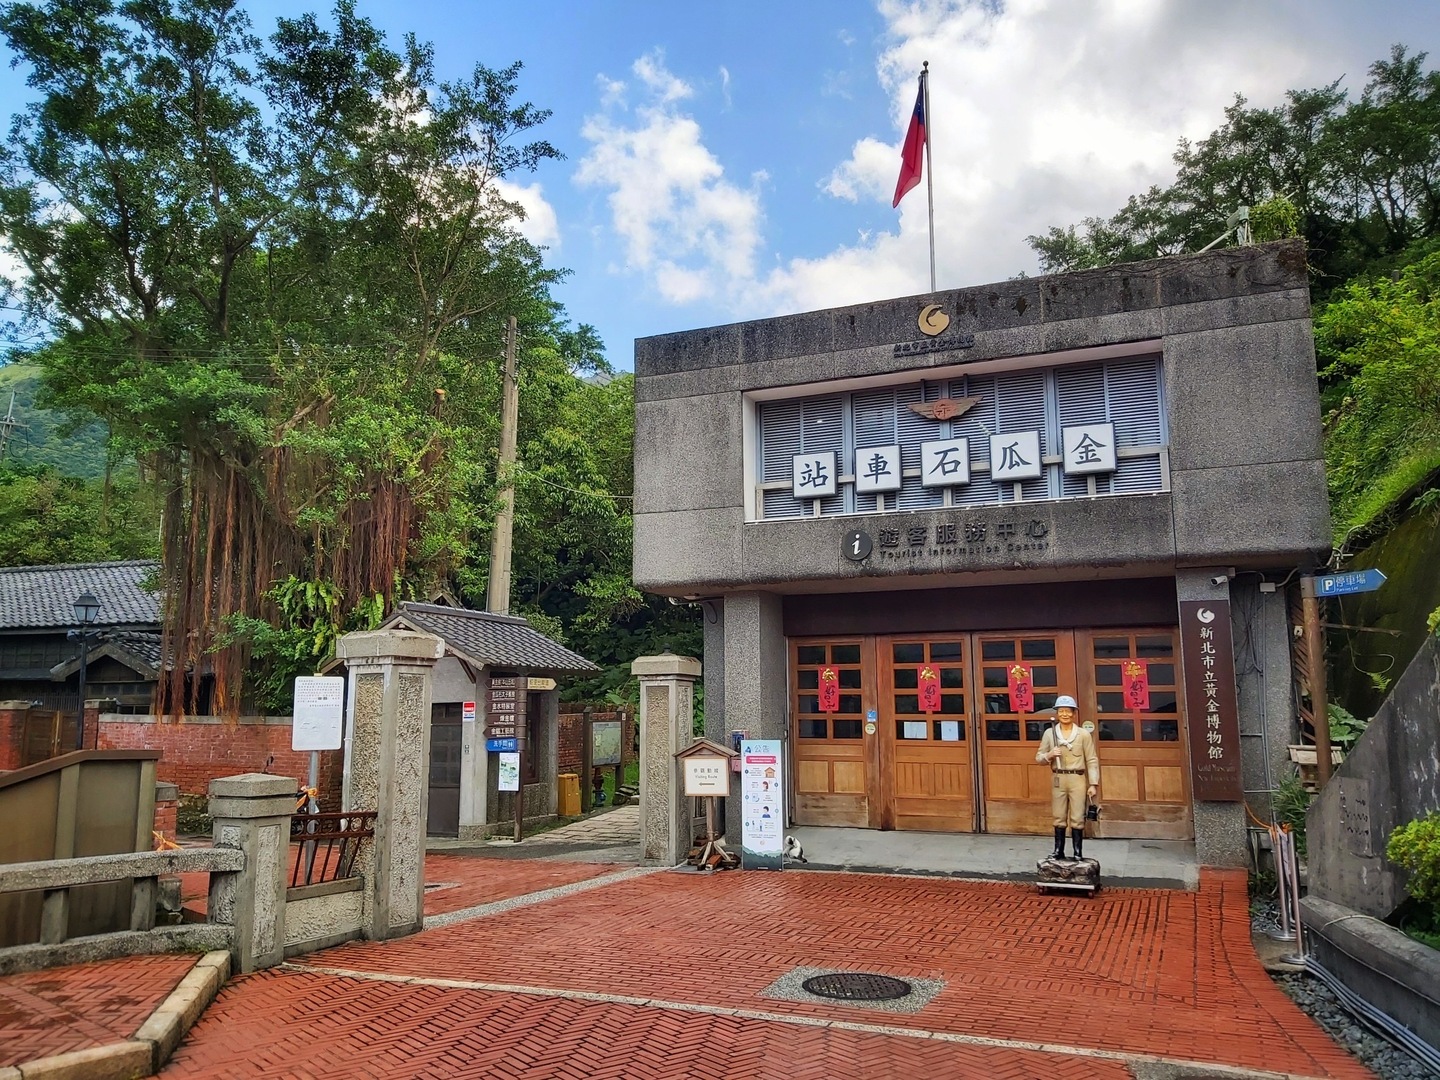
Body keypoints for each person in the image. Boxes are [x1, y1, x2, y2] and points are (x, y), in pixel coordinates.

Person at [1034, 695, 1099, 860]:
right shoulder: (1050, 734)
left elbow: (1091, 759)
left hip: (1077, 778)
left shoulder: (1083, 735)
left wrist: (1093, 783)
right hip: (1058, 778)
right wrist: (1049, 754)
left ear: (1074, 714)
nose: (1064, 714)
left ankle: (1078, 852)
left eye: (1068, 711)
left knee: (1077, 816)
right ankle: (1058, 850)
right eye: (1061, 711)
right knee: (1059, 815)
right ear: (1057, 713)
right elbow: (1038, 758)